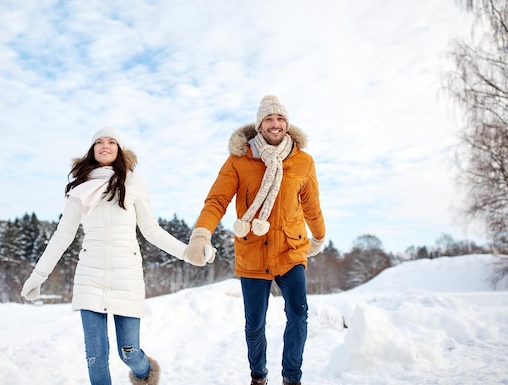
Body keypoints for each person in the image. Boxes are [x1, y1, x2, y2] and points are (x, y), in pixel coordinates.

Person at [21, 126, 209, 385]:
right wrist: (38, 276)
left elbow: (152, 231)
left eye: (111, 142)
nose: (105, 145)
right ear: (92, 149)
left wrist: (188, 253)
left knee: (129, 352)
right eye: (99, 141)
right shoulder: (79, 187)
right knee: (96, 356)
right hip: (90, 278)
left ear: (119, 149)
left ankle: (145, 374)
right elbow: (62, 236)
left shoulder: (132, 183)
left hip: (127, 278)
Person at [185, 95, 326, 385]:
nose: (275, 124)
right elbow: (217, 200)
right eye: (269, 119)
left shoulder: (303, 161)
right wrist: (202, 232)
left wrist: (319, 236)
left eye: (280, 119)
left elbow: (312, 205)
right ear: (259, 125)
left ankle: (292, 377)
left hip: (290, 250)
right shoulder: (239, 160)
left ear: (287, 124)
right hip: (253, 253)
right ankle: (258, 375)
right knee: (254, 325)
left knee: (298, 316)